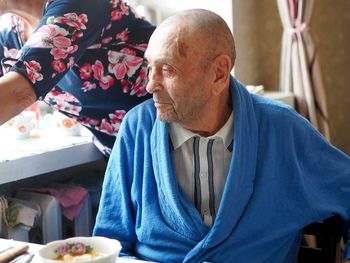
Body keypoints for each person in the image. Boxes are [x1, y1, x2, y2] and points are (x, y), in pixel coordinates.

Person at [93, 8, 350, 262]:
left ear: (218, 73)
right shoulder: (137, 128)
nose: (150, 85)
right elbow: (110, 245)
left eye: (168, 70)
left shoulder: (282, 129)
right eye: (150, 67)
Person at [0, 0, 155, 157]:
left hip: (170, 140)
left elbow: (16, 93)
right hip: (129, 155)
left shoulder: (80, 4)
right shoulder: (11, 33)